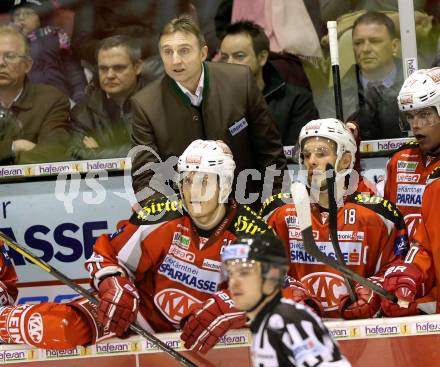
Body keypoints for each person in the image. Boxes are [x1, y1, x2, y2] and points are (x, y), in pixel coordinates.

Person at [0, 139, 274, 349]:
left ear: (225, 185)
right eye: (188, 180)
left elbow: (284, 290)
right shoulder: (159, 215)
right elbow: (105, 256)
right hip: (135, 318)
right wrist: (113, 282)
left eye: (205, 181)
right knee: (58, 327)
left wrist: (235, 306)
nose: (194, 191)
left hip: (204, 335)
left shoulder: (252, 234)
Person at [130, 14, 287, 206]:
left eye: (184, 51)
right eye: (167, 52)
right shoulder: (145, 105)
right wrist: (170, 222)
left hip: (247, 208)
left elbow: (270, 154)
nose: (175, 60)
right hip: (185, 218)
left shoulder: (240, 81)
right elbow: (146, 177)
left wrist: (275, 206)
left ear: (203, 53)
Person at [261, 118, 409, 319]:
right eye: (306, 155)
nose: (311, 161)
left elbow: (398, 269)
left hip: (364, 337)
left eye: (321, 154)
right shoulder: (277, 212)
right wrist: (286, 292)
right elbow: (258, 268)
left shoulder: (380, 216)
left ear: (346, 160)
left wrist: (376, 290)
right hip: (299, 337)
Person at [221, 234, 351, 367]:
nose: (233, 283)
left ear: (273, 275)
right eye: (230, 273)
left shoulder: (289, 321)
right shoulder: (266, 322)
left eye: (244, 272)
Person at [219, 20, 319, 146]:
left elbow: (297, 157)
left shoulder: (297, 101)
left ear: (262, 58)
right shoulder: (214, 102)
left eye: (239, 56)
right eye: (224, 57)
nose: (229, 64)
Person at [318, 12, 404, 139]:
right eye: (358, 43)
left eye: (375, 41)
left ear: (394, 46)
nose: (365, 49)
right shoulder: (335, 97)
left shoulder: (413, 84)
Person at [383, 67, 440, 240]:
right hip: (402, 261)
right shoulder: (400, 159)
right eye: (410, 116)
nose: (415, 125)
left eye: (424, 114)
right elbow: (386, 222)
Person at [0, 25, 70, 165]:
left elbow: (52, 157)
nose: (0, 63)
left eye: (9, 56)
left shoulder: (50, 100)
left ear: (27, 65)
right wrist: (14, 147)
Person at [70, 35, 146, 160]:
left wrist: (98, 153)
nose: (110, 75)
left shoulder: (158, 104)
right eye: (103, 69)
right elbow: (75, 156)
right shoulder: (82, 112)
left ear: (137, 67)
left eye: (118, 68)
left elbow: (152, 152)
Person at [11, 1, 87, 103]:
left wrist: (80, 94)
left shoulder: (54, 34)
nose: (21, 18)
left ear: (39, 18)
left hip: (59, 97)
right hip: (24, 103)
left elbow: (72, 69)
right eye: (17, 14)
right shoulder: (7, 42)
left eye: (28, 13)